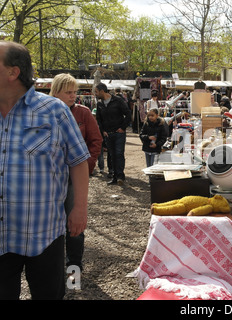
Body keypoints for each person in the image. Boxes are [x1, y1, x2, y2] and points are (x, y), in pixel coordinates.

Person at [0, 41, 90, 299]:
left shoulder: (54, 111)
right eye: (68, 91)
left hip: (42, 233)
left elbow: (80, 158)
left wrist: (79, 208)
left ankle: (76, 279)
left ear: (12, 72)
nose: (73, 95)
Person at [49, 73, 103, 275]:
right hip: (50, 179)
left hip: (73, 179)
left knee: (75, 226)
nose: (73, 96)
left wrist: (85, 166)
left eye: (75, 92)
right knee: (50, 226)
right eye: (68, 92)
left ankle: (74, 270)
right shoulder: (44, 111)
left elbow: (96, 141)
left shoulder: (83, 113)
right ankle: (53, 272)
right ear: (56, 91)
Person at [95, 82, 131, 186]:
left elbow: (128, 114)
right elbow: (99, 119)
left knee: (119, 154)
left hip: (119, 133)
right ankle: (115, 176)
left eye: (96, 92)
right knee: (112, 155)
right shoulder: (100, 104)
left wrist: (123, 128)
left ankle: (120, 176)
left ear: (102, 91)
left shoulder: (118, 100)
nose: (95, 94)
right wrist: (103, 130)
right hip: (108, 134)